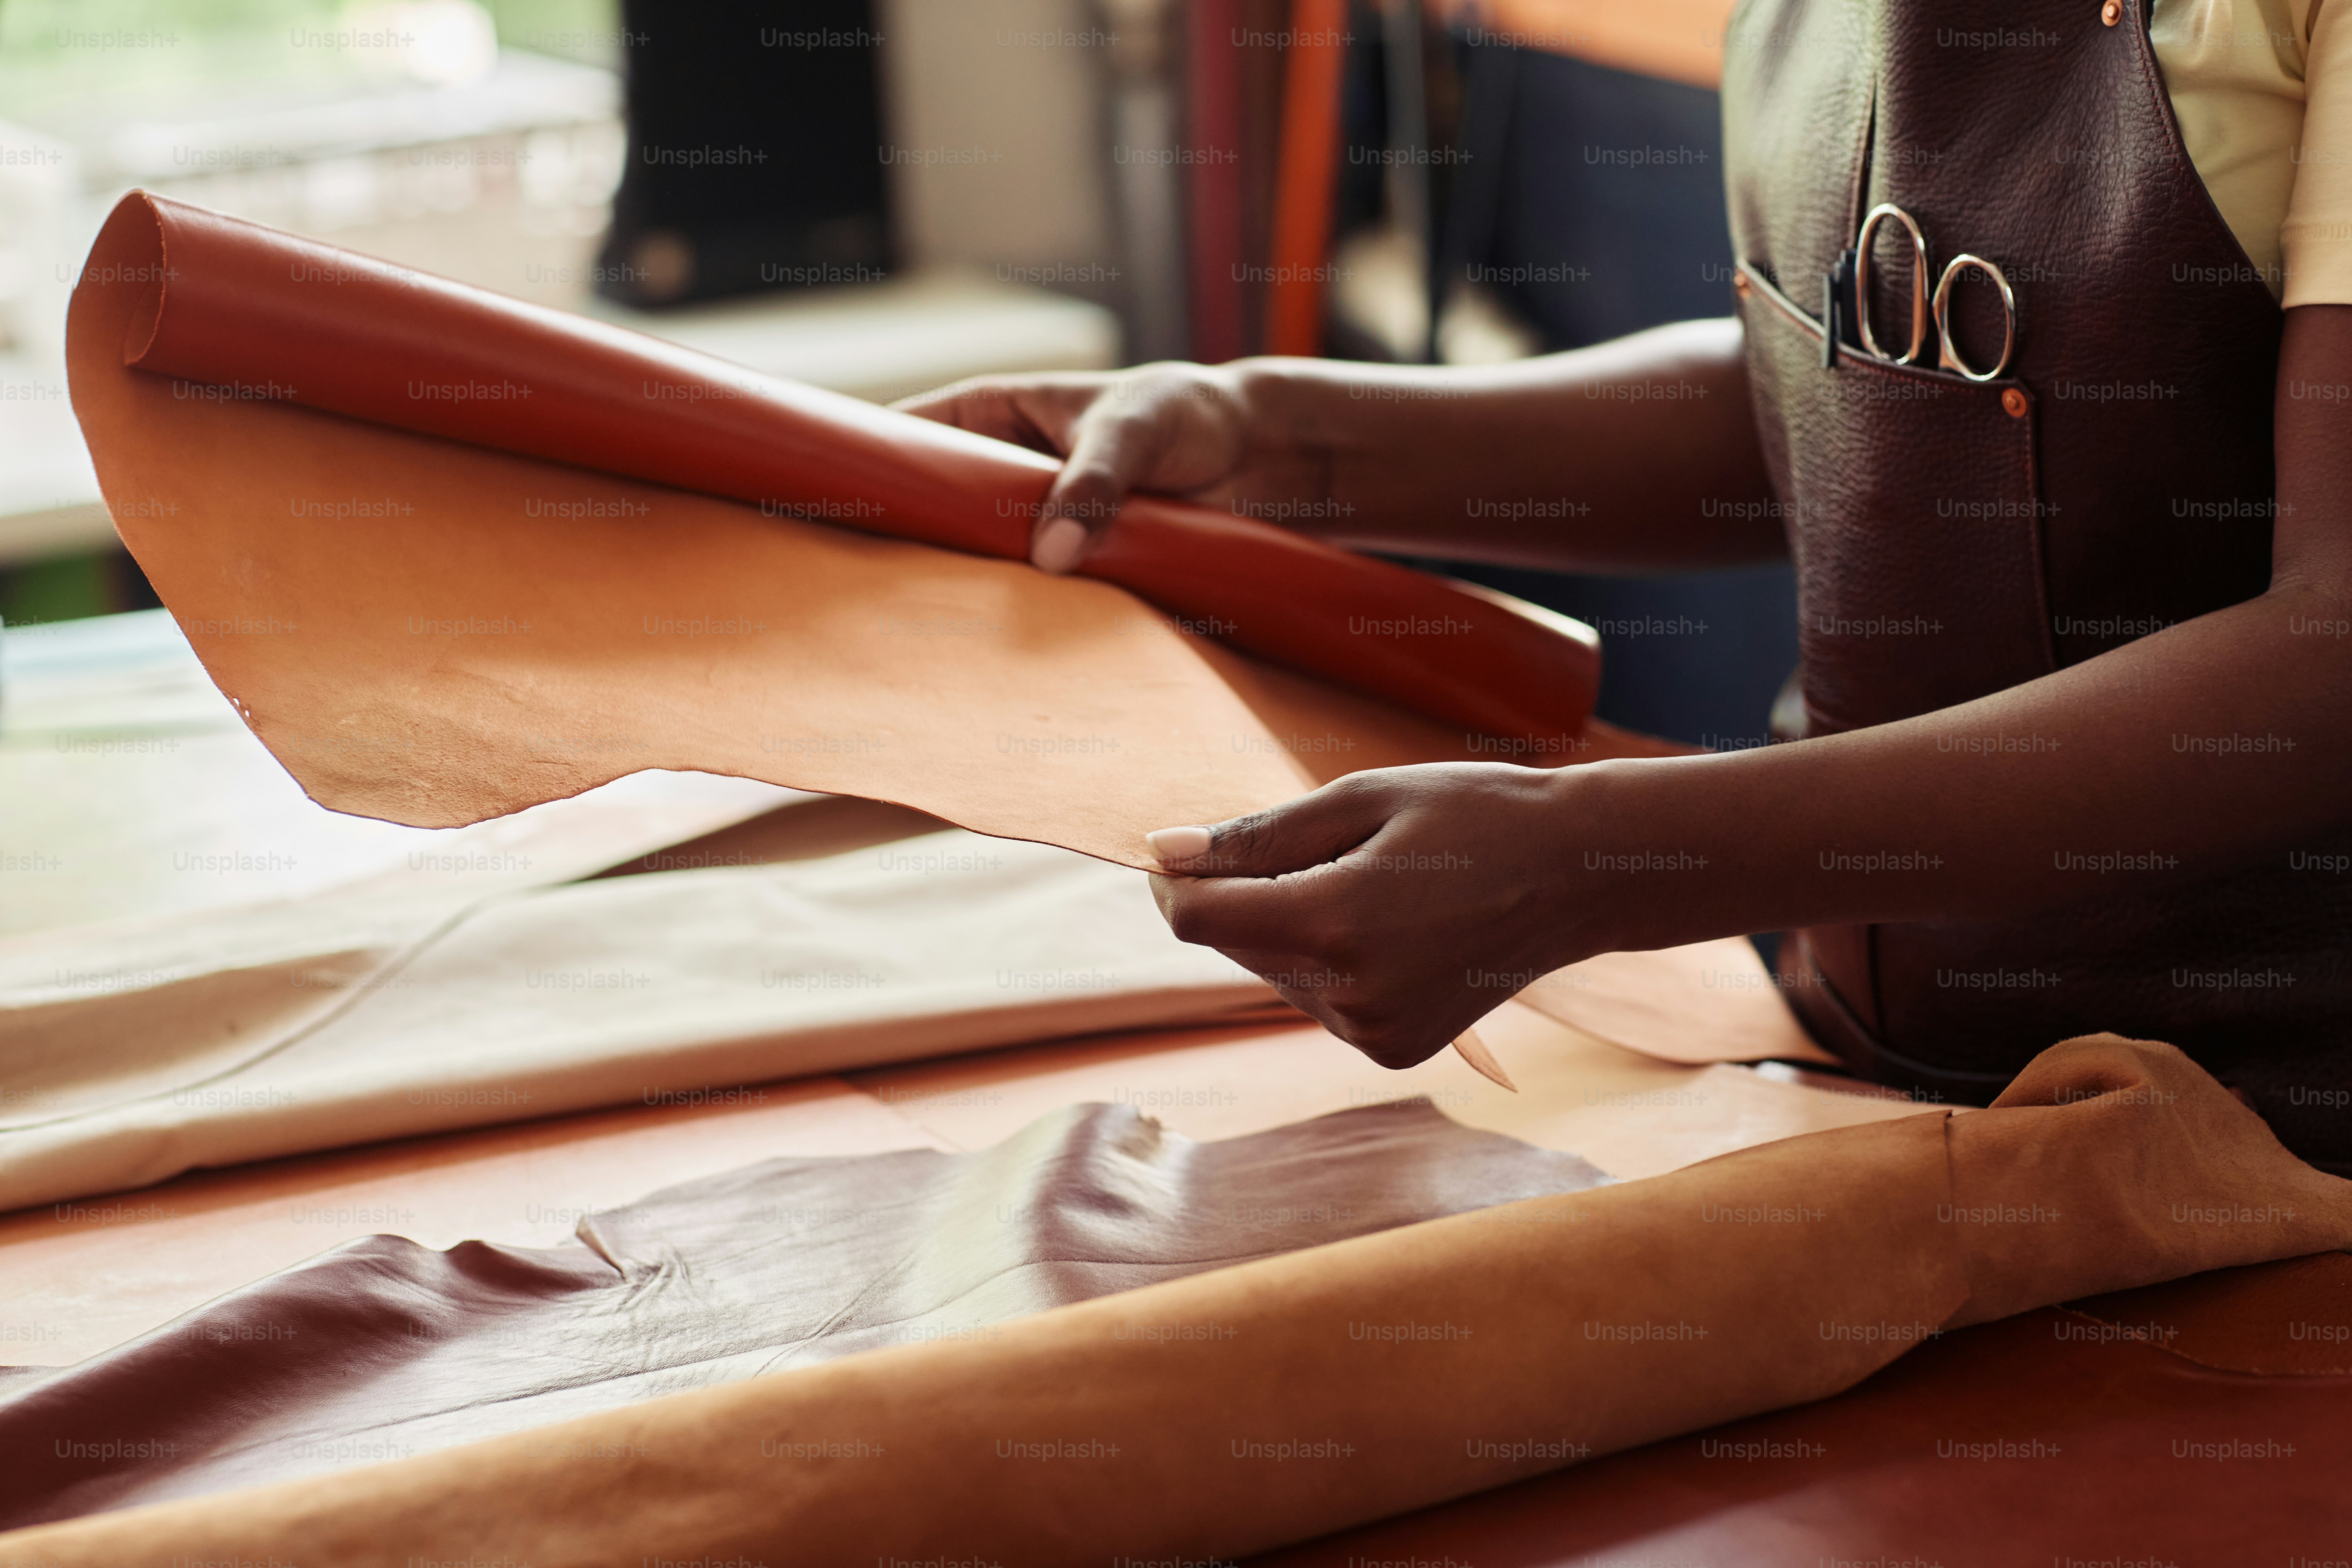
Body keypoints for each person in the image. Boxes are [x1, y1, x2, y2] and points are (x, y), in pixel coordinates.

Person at [903, 0, 2352, 1168]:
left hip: (2269, 1133)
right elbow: (1833, 395)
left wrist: (1603, 858)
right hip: (1866, 1062)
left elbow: (2330, 660)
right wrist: (1267, 434)